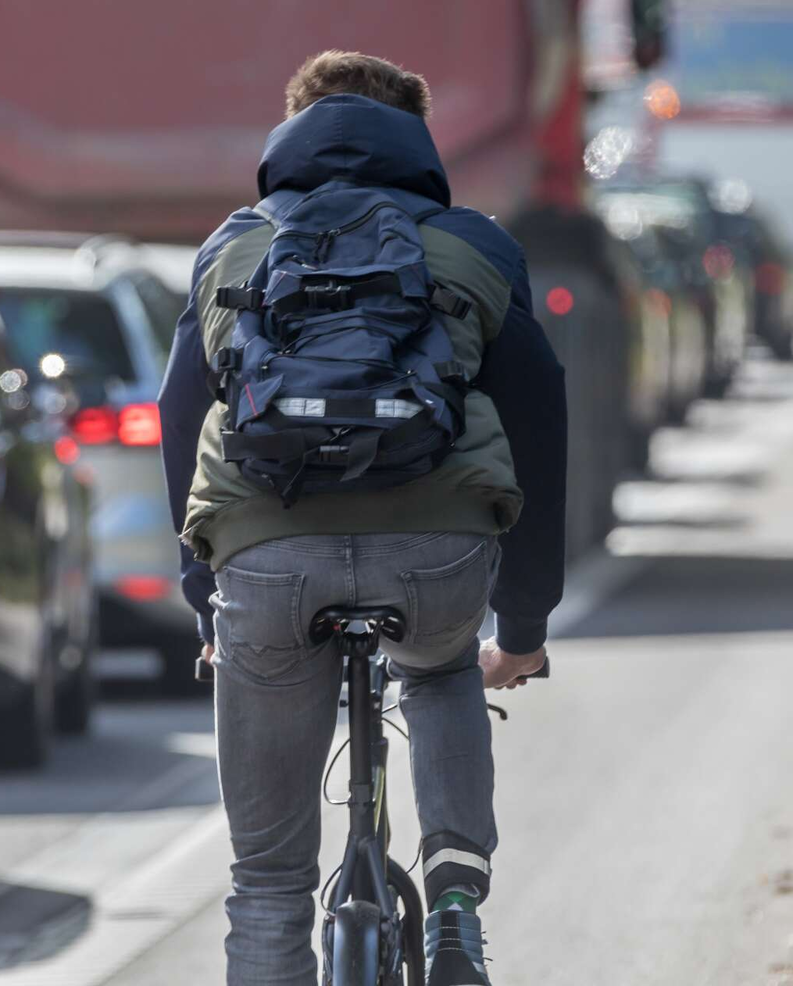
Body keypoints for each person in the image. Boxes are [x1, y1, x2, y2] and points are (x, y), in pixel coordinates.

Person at [160, 51, 567, 986]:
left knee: (267, 880)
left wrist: (203, 602)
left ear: (293, 127)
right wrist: (528, 623)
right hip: (437, 550)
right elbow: (541, 422)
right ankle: (457, 910)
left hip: (267, 557)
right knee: (440, 669)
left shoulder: (234, 246)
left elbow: (182, 421)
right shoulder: (476, 244)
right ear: (416, 137)